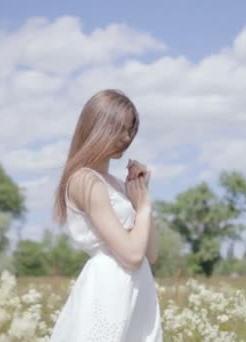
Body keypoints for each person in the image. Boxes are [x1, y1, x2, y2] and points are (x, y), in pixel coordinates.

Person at [49, 89, 162, 341]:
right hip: (109, 288)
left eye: (130, 130)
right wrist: (141, 208)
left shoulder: (118, 185)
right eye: (120, 129)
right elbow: (132, 256)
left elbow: (150, 253)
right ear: (97, 126)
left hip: (138, 288)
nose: (126, 137)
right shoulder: (85, 180)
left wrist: (142, 195)